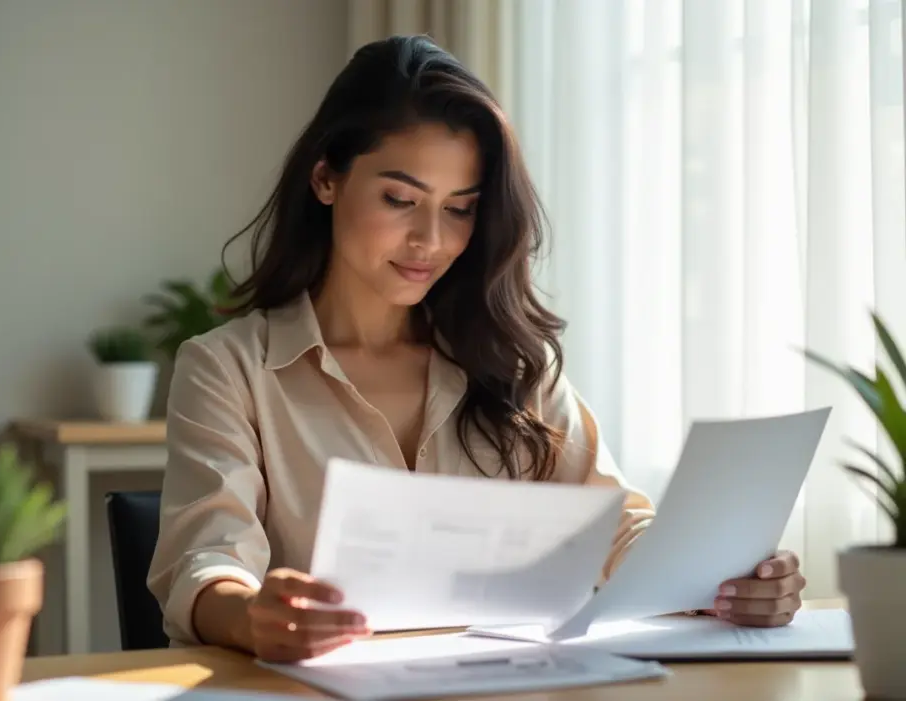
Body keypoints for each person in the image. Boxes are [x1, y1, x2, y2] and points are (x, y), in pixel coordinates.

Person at [147, 35, 807, 662]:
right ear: (326, 179)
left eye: (459, 208)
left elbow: (615, 523)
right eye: (400, 199)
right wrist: (253, 614)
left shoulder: (516, 363)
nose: (430, 239)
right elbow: (206, 563)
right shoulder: (230, 368)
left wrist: (720, 581)